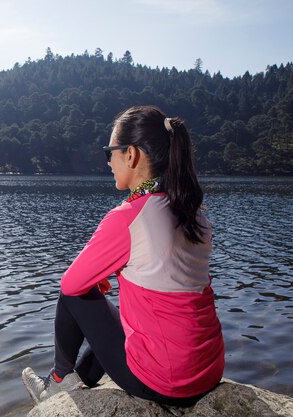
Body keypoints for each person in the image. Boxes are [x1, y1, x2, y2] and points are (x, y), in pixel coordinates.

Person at [22, 105, 225, 407]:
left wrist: (95, 279)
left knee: (73, 294)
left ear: (130, 155)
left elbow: (71, 285)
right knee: (120, 315)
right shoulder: (194, 214)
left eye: (110, 152)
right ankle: (79, 379)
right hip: (208, 371)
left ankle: (60, 381)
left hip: (165, 383)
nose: (109, 162)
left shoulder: (129, 217)